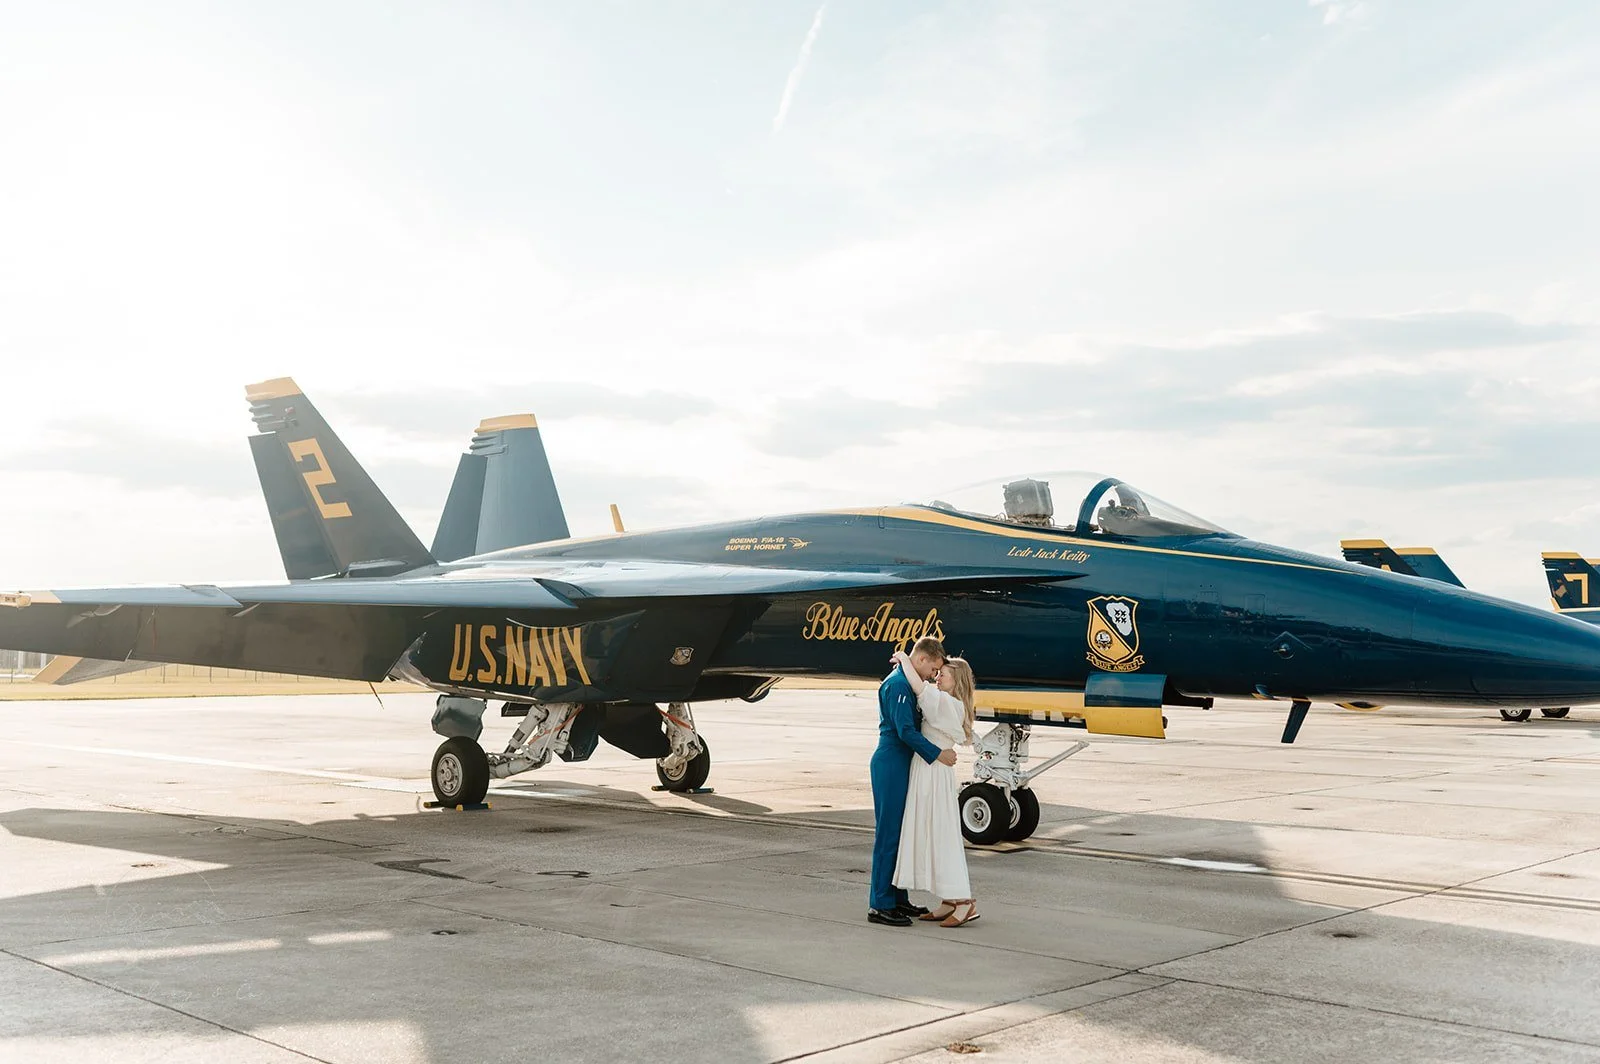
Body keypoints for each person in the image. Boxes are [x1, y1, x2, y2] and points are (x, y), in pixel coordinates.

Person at [868, 635, 957, 926]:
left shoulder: (907, 681)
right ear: (921, 659)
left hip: (902, 763)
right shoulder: (899, 685)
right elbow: (905, 730)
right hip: (892, 762)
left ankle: (897, 898)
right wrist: (937, 754)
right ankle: (880, 904)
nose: (934, 676)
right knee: (889, 834)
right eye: (933, 669)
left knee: (901, 832)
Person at [892, 651, 980, 927]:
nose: (937, 677)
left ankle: (964, 901)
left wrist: (905, 659)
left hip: (933, 772)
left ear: (957, 681)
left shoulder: (947, 703)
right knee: (933, 833)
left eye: (944, 674)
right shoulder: (949, 702)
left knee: (940, 835)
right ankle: (948, 900)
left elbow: (920, 688)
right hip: (930, 769)